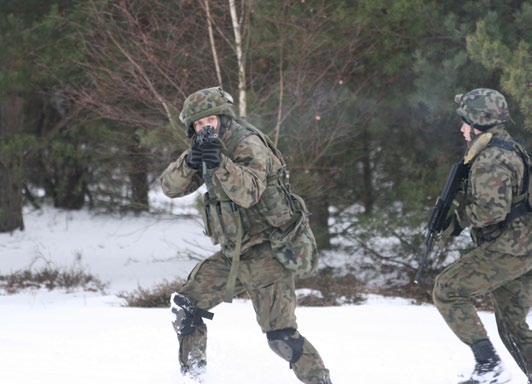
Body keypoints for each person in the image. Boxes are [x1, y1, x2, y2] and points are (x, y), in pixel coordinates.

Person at [160, 86, 332, 384]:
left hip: (268, 252)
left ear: (223, 118)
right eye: (199, 125)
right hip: (234, 254)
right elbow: (169, 188)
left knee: (281, 337)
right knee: (186, 307)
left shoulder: (247, 143)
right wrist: (190, 161)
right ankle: (194, 376)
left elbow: (249, 193)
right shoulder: (205, 148)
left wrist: (219, 163)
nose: (205, 128)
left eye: (210, 120)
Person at [433, 88, 532, 384]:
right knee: (512, 326)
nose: (462, 128)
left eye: (465, 121)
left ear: (479, 122)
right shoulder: (509, 147)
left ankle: (489, 366)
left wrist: (459, 220)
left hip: (509, 248)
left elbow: (491, 212)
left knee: (447, 290)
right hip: (523, 247)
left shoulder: (491, 158)